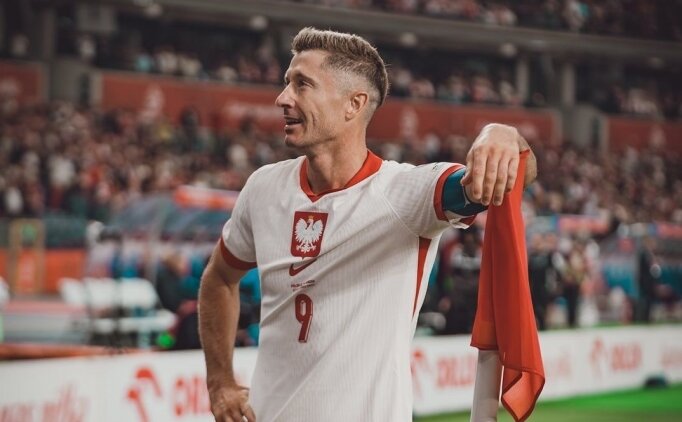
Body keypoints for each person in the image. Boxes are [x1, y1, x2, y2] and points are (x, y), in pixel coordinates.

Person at [199, 27, 537, 422]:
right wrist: (219, 382)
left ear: (353, 104)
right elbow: (219, 279)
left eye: (302, 84)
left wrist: (503, 136)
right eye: (287, 82)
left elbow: (508, 176)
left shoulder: (405, 194)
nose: (283, 98)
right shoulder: (263, 188)